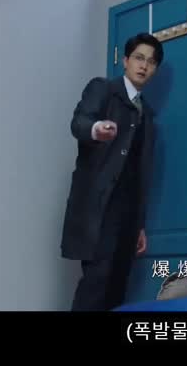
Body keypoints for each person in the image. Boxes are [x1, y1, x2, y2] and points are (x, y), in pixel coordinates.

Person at [61, 32, 163, 311]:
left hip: (128, 214)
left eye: (151, 62)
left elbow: (141, 174)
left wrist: (140, 224)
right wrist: (96, 129)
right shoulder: (103, 89)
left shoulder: (147, 114)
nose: (144, 65)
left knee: (118, 286)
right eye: (139, 58)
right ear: (125, 60)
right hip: (100, 208)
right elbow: (79, 122)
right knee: (96, 283)